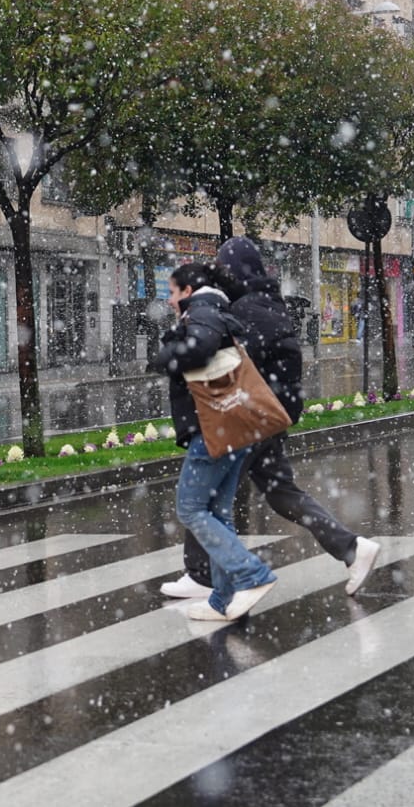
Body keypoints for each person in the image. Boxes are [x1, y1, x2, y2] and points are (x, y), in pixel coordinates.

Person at [160, 238, 382, 600]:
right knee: (280, 493)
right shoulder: (265, 302)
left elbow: (229, 361)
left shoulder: (246, 308)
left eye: (223, 266)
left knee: (204, 496)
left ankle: (204, 576)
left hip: (248, 417)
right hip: (266, 416)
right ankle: (352, 548)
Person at [150, 262, 278, 622]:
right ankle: (221, 599)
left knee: (190, 509)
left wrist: (166, 356)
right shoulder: (220, 311)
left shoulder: (202, 312)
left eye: (173, 292)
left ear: (188, 291)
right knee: (218, 513)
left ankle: (252, 574)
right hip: (234, 425)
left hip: (213, 426)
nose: (171, 300)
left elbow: (200, 348)